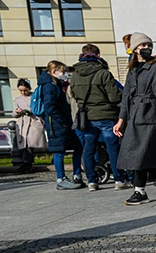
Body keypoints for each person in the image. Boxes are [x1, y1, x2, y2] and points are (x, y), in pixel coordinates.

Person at [113, 32, 156, 205]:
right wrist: (121, 120)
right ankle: (146, 189)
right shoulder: (133, 70)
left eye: (149, 46)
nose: (147, 49)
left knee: (142, 154)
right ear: (135, 49)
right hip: (134, 117)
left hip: (150, 116)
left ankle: (147, 189)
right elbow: (126, 98)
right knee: (140, 155)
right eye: (143, 46)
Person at [70, 44, 126, 191]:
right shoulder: (103, 73)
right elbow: (114, 97)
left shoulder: (75, 75)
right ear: (98, 56)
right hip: (106, 115)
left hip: (86, 116)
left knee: (89, 148)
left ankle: (92, 181)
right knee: (112, 147)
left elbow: (74, 96)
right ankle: (119, 179)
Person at [38, 61, 84, 190]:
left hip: (61, 122)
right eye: (62, 71)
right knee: (59, 150)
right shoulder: (49, 86)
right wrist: (62, 121)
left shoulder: (55, 84)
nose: (65, 74)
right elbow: (49, 107)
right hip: (56, 124)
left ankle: (76, 174)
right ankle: (61, 178)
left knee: (76, 146)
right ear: (54, 72)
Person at [12, 79, 46, 174]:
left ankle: (27, 163)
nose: (23, 92)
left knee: (30, 144)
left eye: (25, 90)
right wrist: (17, 112)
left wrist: (27, 111)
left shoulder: (34, 96)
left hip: (33, 122)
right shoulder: (18, 99)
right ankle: (27, 163)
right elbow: (14, 113)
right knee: (24, 145)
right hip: (23, 123)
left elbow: (38, 109)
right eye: (21, 90)